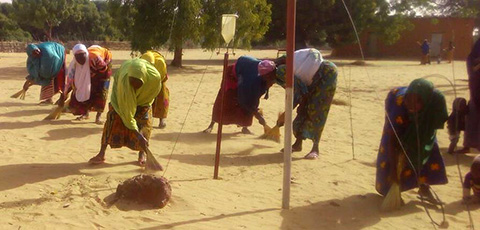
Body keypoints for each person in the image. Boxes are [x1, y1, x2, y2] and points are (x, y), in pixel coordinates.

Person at [375, 79, 448, 205]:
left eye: (416, 102)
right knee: (397, 150)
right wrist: (394, 172)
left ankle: (424, 187)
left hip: (422, 120)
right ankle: (392, 190)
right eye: (408, 100)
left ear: (425, 101)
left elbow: (434, 124)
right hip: (397, 112)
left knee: (426, 149)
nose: (410, 105)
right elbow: (393, 141)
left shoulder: (433, 103)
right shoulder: (399, 106)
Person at [88, 58, 162, 166]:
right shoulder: (125, 82)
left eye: (138, 83)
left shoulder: (154, 78)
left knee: (145, 123)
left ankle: (143, 154)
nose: (134, 86)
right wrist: (137, 134)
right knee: (112, 121)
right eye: (132, 82)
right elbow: (127, 113)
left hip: (144, 100)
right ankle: (101, 153)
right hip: (121, 98)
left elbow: (153, 93)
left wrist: (142, 103)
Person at [275, 48, 337, 159]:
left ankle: (315, 148)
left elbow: (297, 94)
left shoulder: (284, 71)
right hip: (311, 80)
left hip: (326, 75)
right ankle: (298, 144)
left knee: (317, 111)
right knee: (303, 110)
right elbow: (298, 93)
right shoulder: (288, 68)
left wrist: (286, 113)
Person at [203, 56, 278, 134]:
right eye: (270, 78)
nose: (271, 81)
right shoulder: (250, 79)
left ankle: (244, 127)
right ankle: (211, 124)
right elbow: (243, 100)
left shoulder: (269, 69)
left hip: (244, 75)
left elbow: (255, 97)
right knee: (224, 100)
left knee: (252, 102)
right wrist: (257, 115)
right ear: (264, 76)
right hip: (232, 76)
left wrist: (256, 108)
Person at [66, 44, 113, 124]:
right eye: (78, 57)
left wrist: (94, 78)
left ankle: (98, 117)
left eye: (82, 56)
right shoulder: (74, 64)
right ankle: (85, 114)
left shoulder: (95, 57)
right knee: (88, 90)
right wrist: (65, 93)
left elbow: (103, 69)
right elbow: (70, 80)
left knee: (102, 91)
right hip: (93, 70)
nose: (81, 59)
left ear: (86, 54)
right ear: (75, 57)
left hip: (105, 66)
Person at [140, 51, 170, 129]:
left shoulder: (160, 62)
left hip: (160, 81)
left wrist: (157, 82)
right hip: (146, 82)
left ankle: (162, 121)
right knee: (145, 101)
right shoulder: (143, 61)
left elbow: (163, 75)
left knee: (162, 100)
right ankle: (144, 120)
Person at [463, 39, 480, 153]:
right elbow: (472, 63)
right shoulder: (476, 50)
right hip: (476, 88)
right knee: (472, 115)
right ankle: (468, 145)